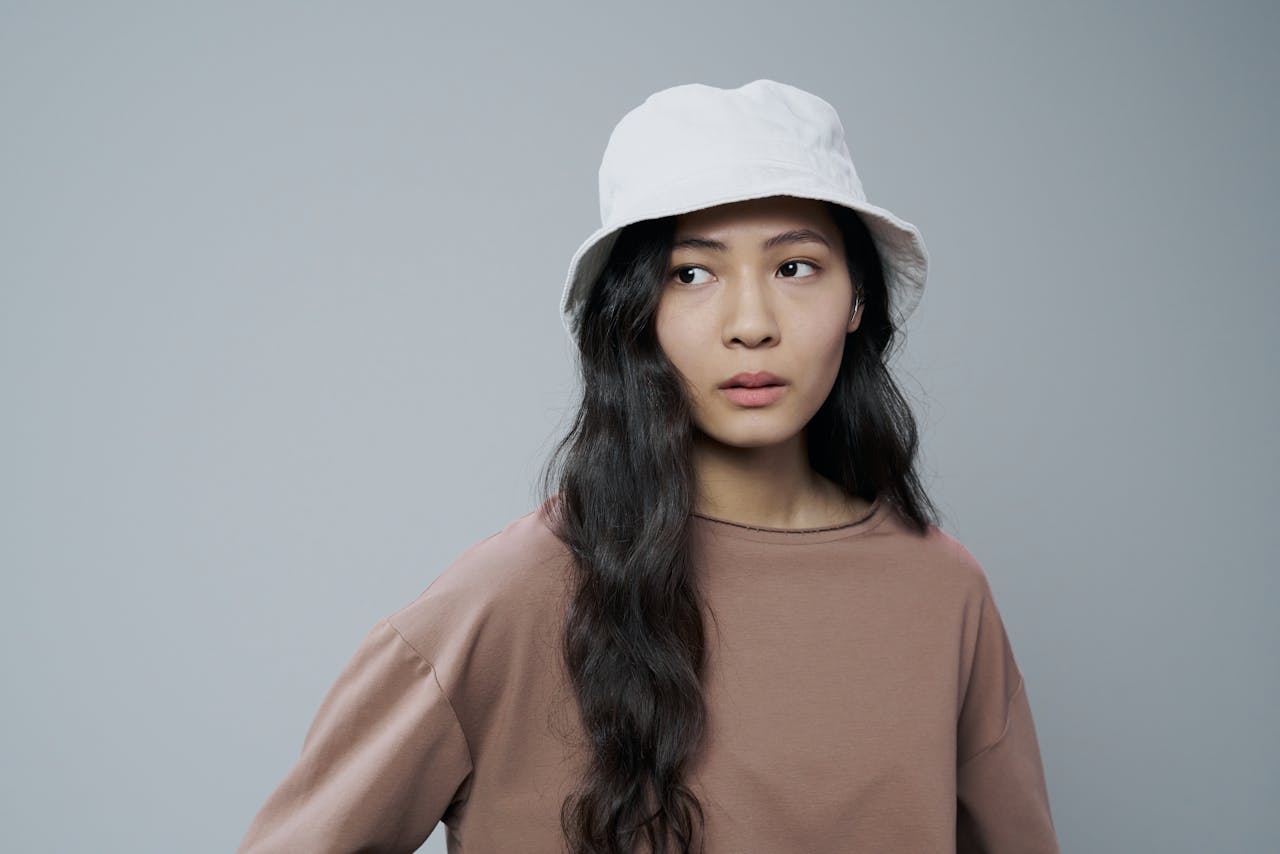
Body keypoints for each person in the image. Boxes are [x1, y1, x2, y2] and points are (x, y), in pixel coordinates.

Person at [235, 79, 1060, 854]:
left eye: (794, 266)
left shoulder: (943, 593)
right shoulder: (514, 594)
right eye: (691, 273)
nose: (750, 323)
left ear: (858, 302)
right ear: (636, 315)